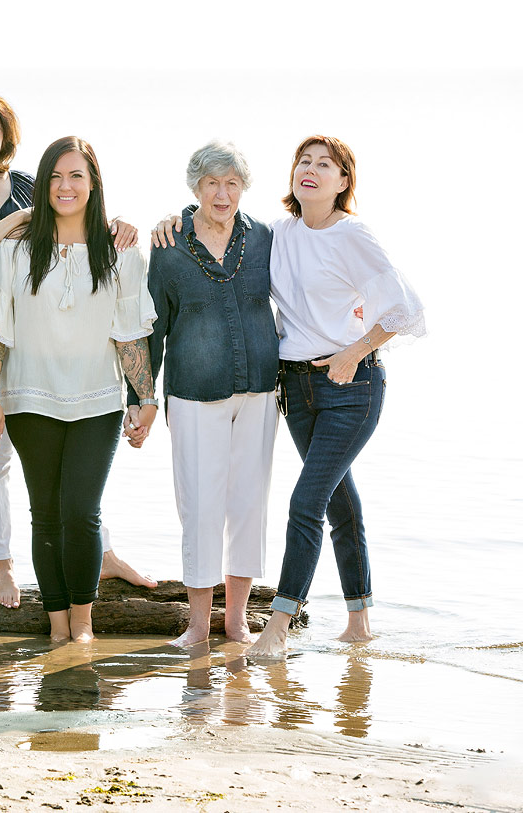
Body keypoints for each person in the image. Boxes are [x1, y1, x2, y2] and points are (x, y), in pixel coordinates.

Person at [0, 90, 154, 609]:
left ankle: (103, 554)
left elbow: (73, 209)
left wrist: (116, 226)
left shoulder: (30, 182)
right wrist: (11, 226)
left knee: (76, 466)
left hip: (49, 331)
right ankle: (2, 567)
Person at [0, 136, 158, 643]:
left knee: (81, 511)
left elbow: (130, 334)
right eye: (55, 176)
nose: (65, 186)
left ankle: (83, 623)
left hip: (98, 400)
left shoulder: (121, 252)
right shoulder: (14, 251)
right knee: (45, 513)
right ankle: (56, 625)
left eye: (76, 176)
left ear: (94, 184)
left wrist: (145, 398)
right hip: (29, 399)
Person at [246, 135, 425, 656]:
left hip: (352, 386)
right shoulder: (278, 233)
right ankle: (359, 622)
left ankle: (277, 628)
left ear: (343, 182)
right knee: (340, 504)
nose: (312, 170)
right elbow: (220, 224)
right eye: (304, 161)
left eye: (326, 165)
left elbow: (405, 307)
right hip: (296, 388)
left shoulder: (353, 235)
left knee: (307, 502)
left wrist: (356, 350)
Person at [124, 141, 279, 647]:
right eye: (212, 182)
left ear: (243, 189)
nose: (222, 193)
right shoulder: (168, 247)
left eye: (232, 183)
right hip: (193, 394)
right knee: (199, 506)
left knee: (249, 504)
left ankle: (236, 622)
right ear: (195, 188)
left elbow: (308, 286)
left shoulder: (264, 241)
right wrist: (142, 399)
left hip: (258, 390)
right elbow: (153, 330)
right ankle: (197, 626)